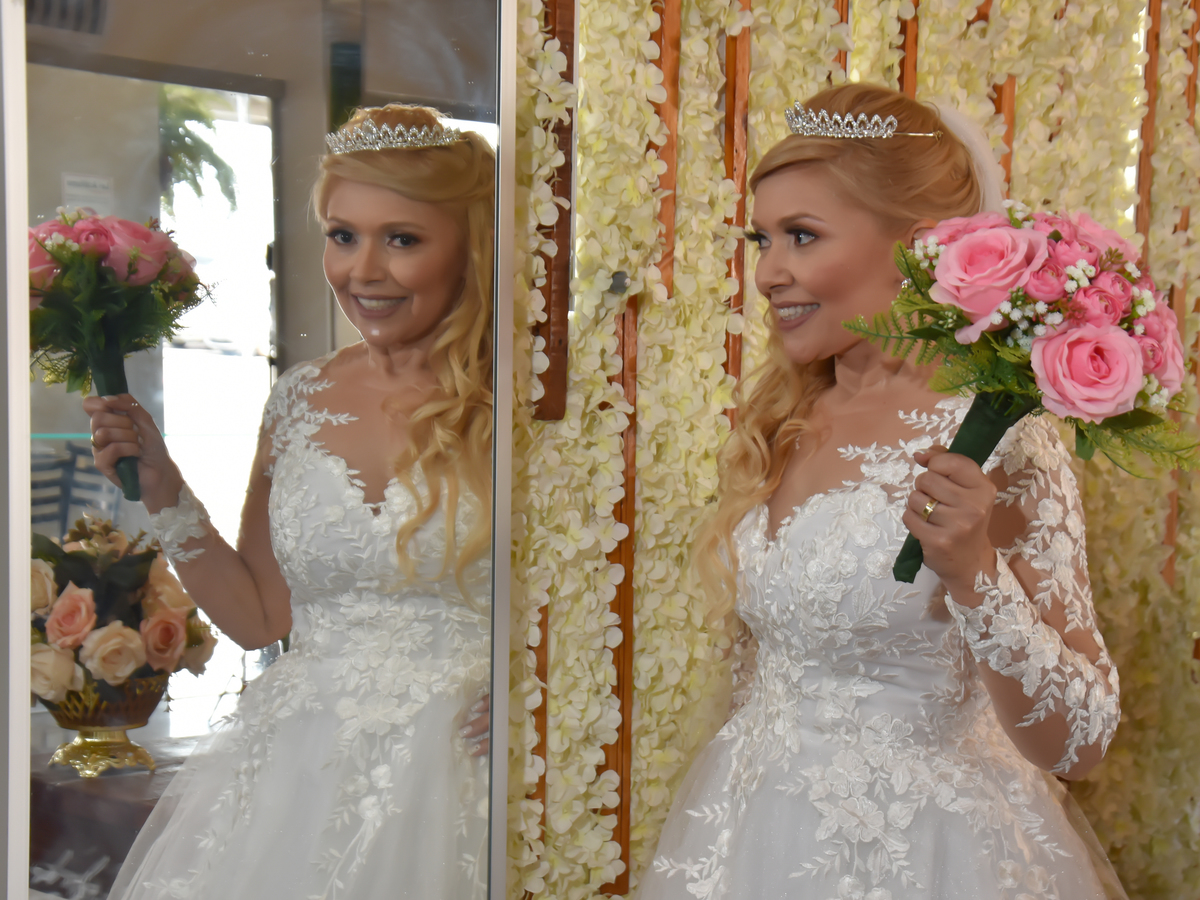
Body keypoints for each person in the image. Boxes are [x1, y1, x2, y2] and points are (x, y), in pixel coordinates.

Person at [637, 84, 1126, 900]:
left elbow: (1083, 741)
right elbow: (765, 671)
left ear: (917, 246)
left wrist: (974, 575)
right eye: (762, 238)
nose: (767, 273)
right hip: (753, 833)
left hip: (928, 855)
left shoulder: (1002, 440)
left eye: (802, 235)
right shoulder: (785, 418)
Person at [87, 104, 495, 900]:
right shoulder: (299, 399)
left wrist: (530, 698)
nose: (362, 271)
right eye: (343, 235)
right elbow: (258, 619)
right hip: (299, 774)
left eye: (402, 239)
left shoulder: (529, 404)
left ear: (469, 247)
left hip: (467, 772)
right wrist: (164, 488)